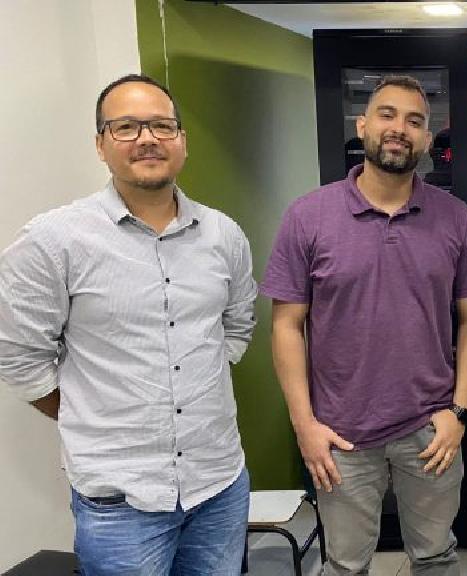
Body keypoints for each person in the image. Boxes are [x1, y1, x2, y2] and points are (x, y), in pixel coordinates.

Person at [0, 74, 258, 575]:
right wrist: (92, 413)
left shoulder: (223, 234)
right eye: (126, 127)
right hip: (120, 502)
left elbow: (237, 324)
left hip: (218, 484)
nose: (147, 139)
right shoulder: (53, 241)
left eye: (162, 126)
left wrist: (196, 383)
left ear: (182, 140)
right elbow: (20, 359)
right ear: (101, 144)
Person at [262, 75, 467, 576]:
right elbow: (286, 327)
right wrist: (305, 425)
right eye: (387, 115)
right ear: (363, 125)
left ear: (427, 138)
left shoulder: (455, 218)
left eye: (414, 121)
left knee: (436, 558)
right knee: (345, 565)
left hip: (430, 430)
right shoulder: (308, 217)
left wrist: (459, 411)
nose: (399, 129)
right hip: (340, 435)